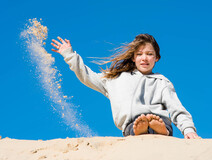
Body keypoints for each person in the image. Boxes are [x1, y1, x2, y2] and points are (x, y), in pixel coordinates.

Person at [51, 34, 200, 139]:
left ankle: (161, 130)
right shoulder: (115, 78)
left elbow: (176, 108)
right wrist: (69, 54)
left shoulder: (162, 81)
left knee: (157, 121)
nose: (144, 58)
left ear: (157, 58)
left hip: (159, 120)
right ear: (134, 57)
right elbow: (87, 76)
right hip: (131, 123)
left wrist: (188, 130)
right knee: (136, 124)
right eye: (140, 54)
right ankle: (140, 130)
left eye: (149, 54)